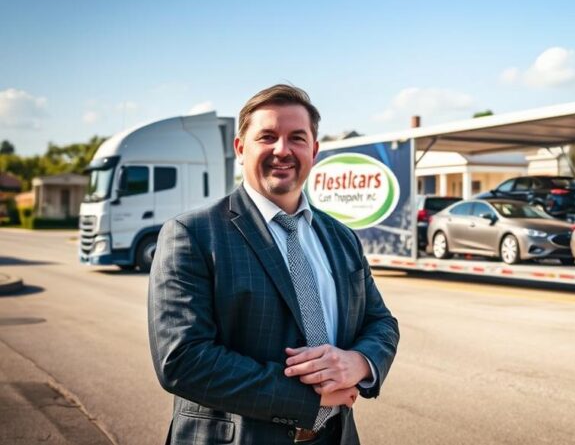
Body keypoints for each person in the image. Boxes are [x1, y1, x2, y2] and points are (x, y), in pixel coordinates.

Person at [148, 84, 399, 445]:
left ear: (313, 150)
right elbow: (183, 360)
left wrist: (360, 362)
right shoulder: (192, 234)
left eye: (297, 138)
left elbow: (381, 321)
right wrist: (306, 400)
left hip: (336, 436)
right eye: (267, 137)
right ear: (240, 148)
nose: (282, 150)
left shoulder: (341, 237)